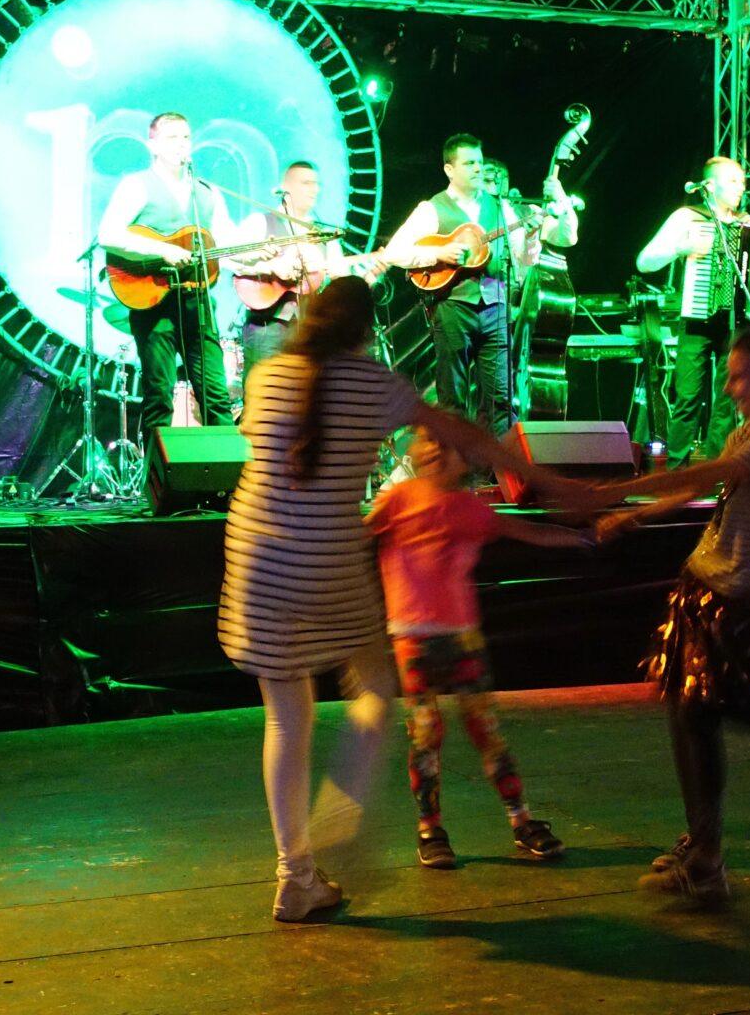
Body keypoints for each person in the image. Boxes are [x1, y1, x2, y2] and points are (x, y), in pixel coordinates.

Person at [217, 277, 577, 923]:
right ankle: (340, 821)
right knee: (377, 687)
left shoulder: (267, 375)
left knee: (286, 717)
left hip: (255, 557)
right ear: (364, 330)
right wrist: (547, 480)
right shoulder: (376, 383)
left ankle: (296, 875)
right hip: (325, 557)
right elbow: (464, 434)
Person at [593, 325, 750, 907]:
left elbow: (696, 476)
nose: (729, 388)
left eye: (738, 378)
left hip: (736, 604)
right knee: (689, 718)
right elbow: (700, 489)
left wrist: (613, 491)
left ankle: (707, 859)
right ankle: (703, 844)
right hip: (711, 590)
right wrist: (634, 514)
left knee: (696, 721)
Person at [366, 426, 588, 870]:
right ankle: (430, 828)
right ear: (415, 448)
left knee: (485, 731)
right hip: (413, 637)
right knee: (426, 732)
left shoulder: (472, 509)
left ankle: (520, 819)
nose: (436, 449)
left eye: (447, 444)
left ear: (467, 459)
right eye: (428, 439)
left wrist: (584, 536)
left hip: (461, 636)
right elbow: (358, 535)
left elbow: (525, 531)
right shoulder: (398, 499)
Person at [383, 134, 578, 437]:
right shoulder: (432, 208)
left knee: (501, 399)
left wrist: (531, 234)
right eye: (469, 163)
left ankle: (498, 464)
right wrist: (439, 253)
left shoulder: (501, 207)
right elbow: (394, 252)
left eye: (479, 162)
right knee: (453, 398)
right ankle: (456, 464)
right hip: (452, 306)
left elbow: (526, 259)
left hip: (495, 308)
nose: (477, 168)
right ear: (449, 170)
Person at [98, 111, 261, 432]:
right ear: (153, 145)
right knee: (159, 397)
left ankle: (223, 465)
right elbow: (108, 234)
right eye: (172, 138)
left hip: (197, 304)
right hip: (154, 303)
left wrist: (255, 258)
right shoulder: (137, 185)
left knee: (216, 396)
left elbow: (224, 243)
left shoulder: (207, 192)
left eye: (186, 137)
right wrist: (162, 250)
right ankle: (156, 465)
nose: (181, 144)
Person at [635, 156, 750, 465]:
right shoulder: (687, 218)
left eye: (743, 182)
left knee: (728, 400)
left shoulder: (748, 224)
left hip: (735, 323)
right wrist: (681, 248)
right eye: (733, 181)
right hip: (695, 319)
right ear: (710, 185)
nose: (741, 188)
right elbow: (644, 262)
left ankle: (719, 469)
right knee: (687, 399)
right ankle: (677, 472)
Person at [233, 160, 379, 379]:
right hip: (267, 328)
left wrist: (372, 273)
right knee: (266, 392)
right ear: (286, 188)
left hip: (310, 330)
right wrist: (271, 267)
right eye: (306, 183)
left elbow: (341, 281)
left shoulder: (324, 234)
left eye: (316, 184)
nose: (314, 190)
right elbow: (230, 258)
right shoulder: (260, 222)